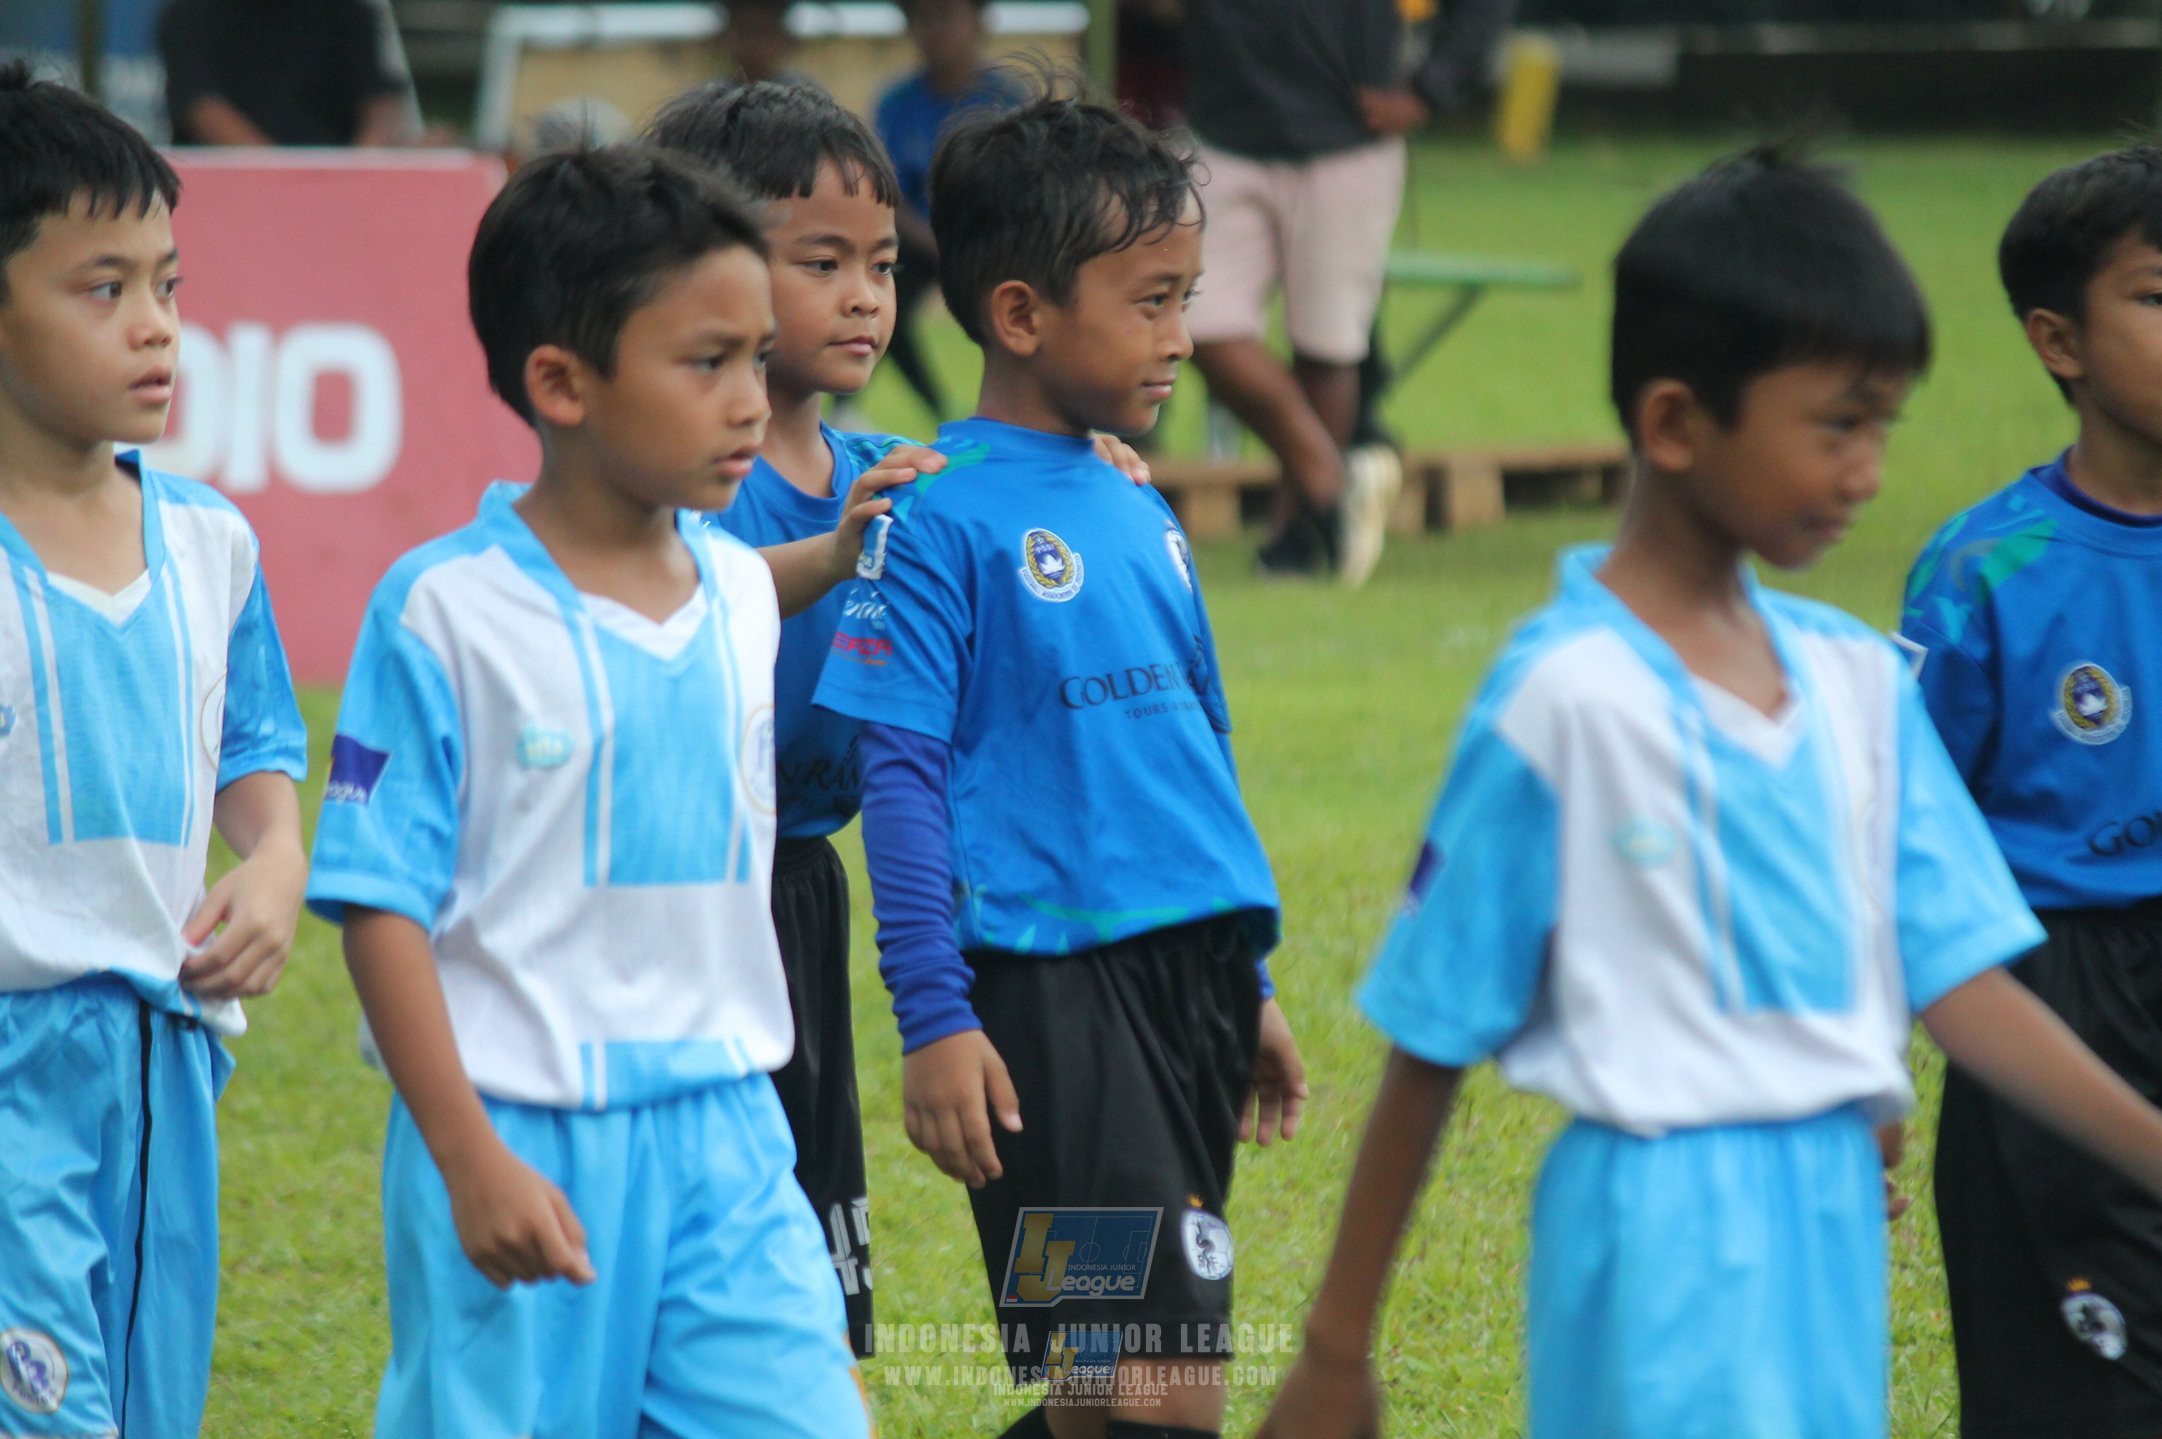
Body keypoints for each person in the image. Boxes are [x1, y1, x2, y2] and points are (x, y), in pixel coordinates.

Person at [1256, 148, 2162, 1439]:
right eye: (1836, 425)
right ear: (1676, 422)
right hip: (1655, 1227)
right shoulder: (1566, 696)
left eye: (1883, 427)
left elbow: (1962, 983)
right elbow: (1430, 1036)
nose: (1866, 471)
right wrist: (1335, 1348)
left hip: (1830, 1226)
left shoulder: (1854, 679)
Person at [305, 144, 906, 1438]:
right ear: (562, 383)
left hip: (732, 1133)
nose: (749, 399)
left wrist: (865, 539)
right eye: (707, 362)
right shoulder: (443, 610)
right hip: (523, 1132)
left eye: (758, 356)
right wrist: (468, 1155)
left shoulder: (737, 588)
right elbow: (378, 906)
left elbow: (796, 574)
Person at [815, 81, 1308, 1439]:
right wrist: (935, 1016)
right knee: (1162, 1387)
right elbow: (897, 777)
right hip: (1050, 995)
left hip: (1186, 983)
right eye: (1150, 302)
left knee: (1098, 1387)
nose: (1182, 336)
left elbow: (1194, 751)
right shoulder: (934, 515)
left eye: (1185, 298)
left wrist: (1246, 976)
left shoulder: (1136, 500)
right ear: (1023, 314)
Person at [0, 61, 309, 1438]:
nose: (156, 328)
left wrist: (277, 858)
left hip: (165, 1057)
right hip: (13, 1069)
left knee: (146, 1406)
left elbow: (255, 739)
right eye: (102, 288)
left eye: (168, 286)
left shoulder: (209, 541)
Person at [643, 75, 934, 1360]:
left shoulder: (882, 471)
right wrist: (830, 554)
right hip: (685, 894)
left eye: (882, 262)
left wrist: (1085, 470)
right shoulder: (672, 475)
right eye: (822, 262)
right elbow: (665, 598)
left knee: (814, 1277)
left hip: (803, 891)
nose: (864, 295)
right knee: (699, 1260)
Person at [1903, 145, 2162, 1439]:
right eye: (2157, 296)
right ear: (2057, 339)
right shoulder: (1982, 571)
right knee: (2077, 1398)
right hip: (2057, 996)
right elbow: (1897, 842)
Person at [1180, 0, 1428, 585]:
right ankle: (1333, 481)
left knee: (1326, 344)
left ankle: (1297, 537)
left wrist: (1434, 88)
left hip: (1347, 133)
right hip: (1223, 128)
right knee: (1193, 322)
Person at [874, 0, 1018, 425]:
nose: (934, 30)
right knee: (880, 304)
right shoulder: (897, 102)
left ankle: (1019, 410)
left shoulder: (1007, 99)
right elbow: (888, 193)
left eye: (945, 16)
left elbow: (1022, 190)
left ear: (979, 22)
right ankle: (939, 410)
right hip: (919, 240)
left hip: (994, 242)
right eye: (922, 18)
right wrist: (934, 242)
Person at [159, 0, 414, 145]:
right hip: (231, 190)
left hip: (337, 188)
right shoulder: (190, 14)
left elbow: (380, 103)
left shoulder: (348, 13)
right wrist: (283, 178)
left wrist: (358, 168)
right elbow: (202, 108)